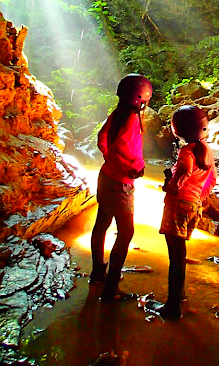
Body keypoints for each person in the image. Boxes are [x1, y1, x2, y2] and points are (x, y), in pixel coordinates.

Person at [145, 105, 217, 319]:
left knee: (175, 256)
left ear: (178, 130)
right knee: (180, 253)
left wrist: (172, 185)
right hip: (193, 205)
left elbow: (184, 170)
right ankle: (180, 296)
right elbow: (211, 179)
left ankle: (172, 307)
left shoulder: (187, 151)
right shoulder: (206, 150)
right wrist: (199, 199)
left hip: (178, 204)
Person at [90, 73, 153, 302]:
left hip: (106, 177)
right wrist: (136, 167)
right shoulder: (131, 118)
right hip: (120, 184)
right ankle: (112, 289)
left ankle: (98, 273)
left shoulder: (117, 113)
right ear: (140, 98)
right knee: (126, 232)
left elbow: (102, 138)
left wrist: (108, 158)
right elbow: (125, 147)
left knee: (101, 225)